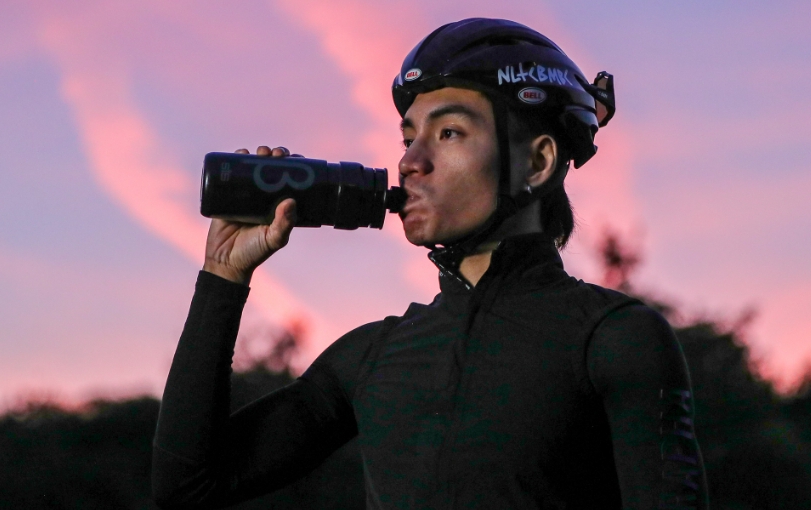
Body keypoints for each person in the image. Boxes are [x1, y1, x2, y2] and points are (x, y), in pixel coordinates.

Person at [152, 18, 709, 509]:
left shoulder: (617, 338)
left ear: (538, 162)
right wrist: (224, 278)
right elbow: (187, 486)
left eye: (449, 132)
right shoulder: (371, 356)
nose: (410, 161)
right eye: (408, 136)